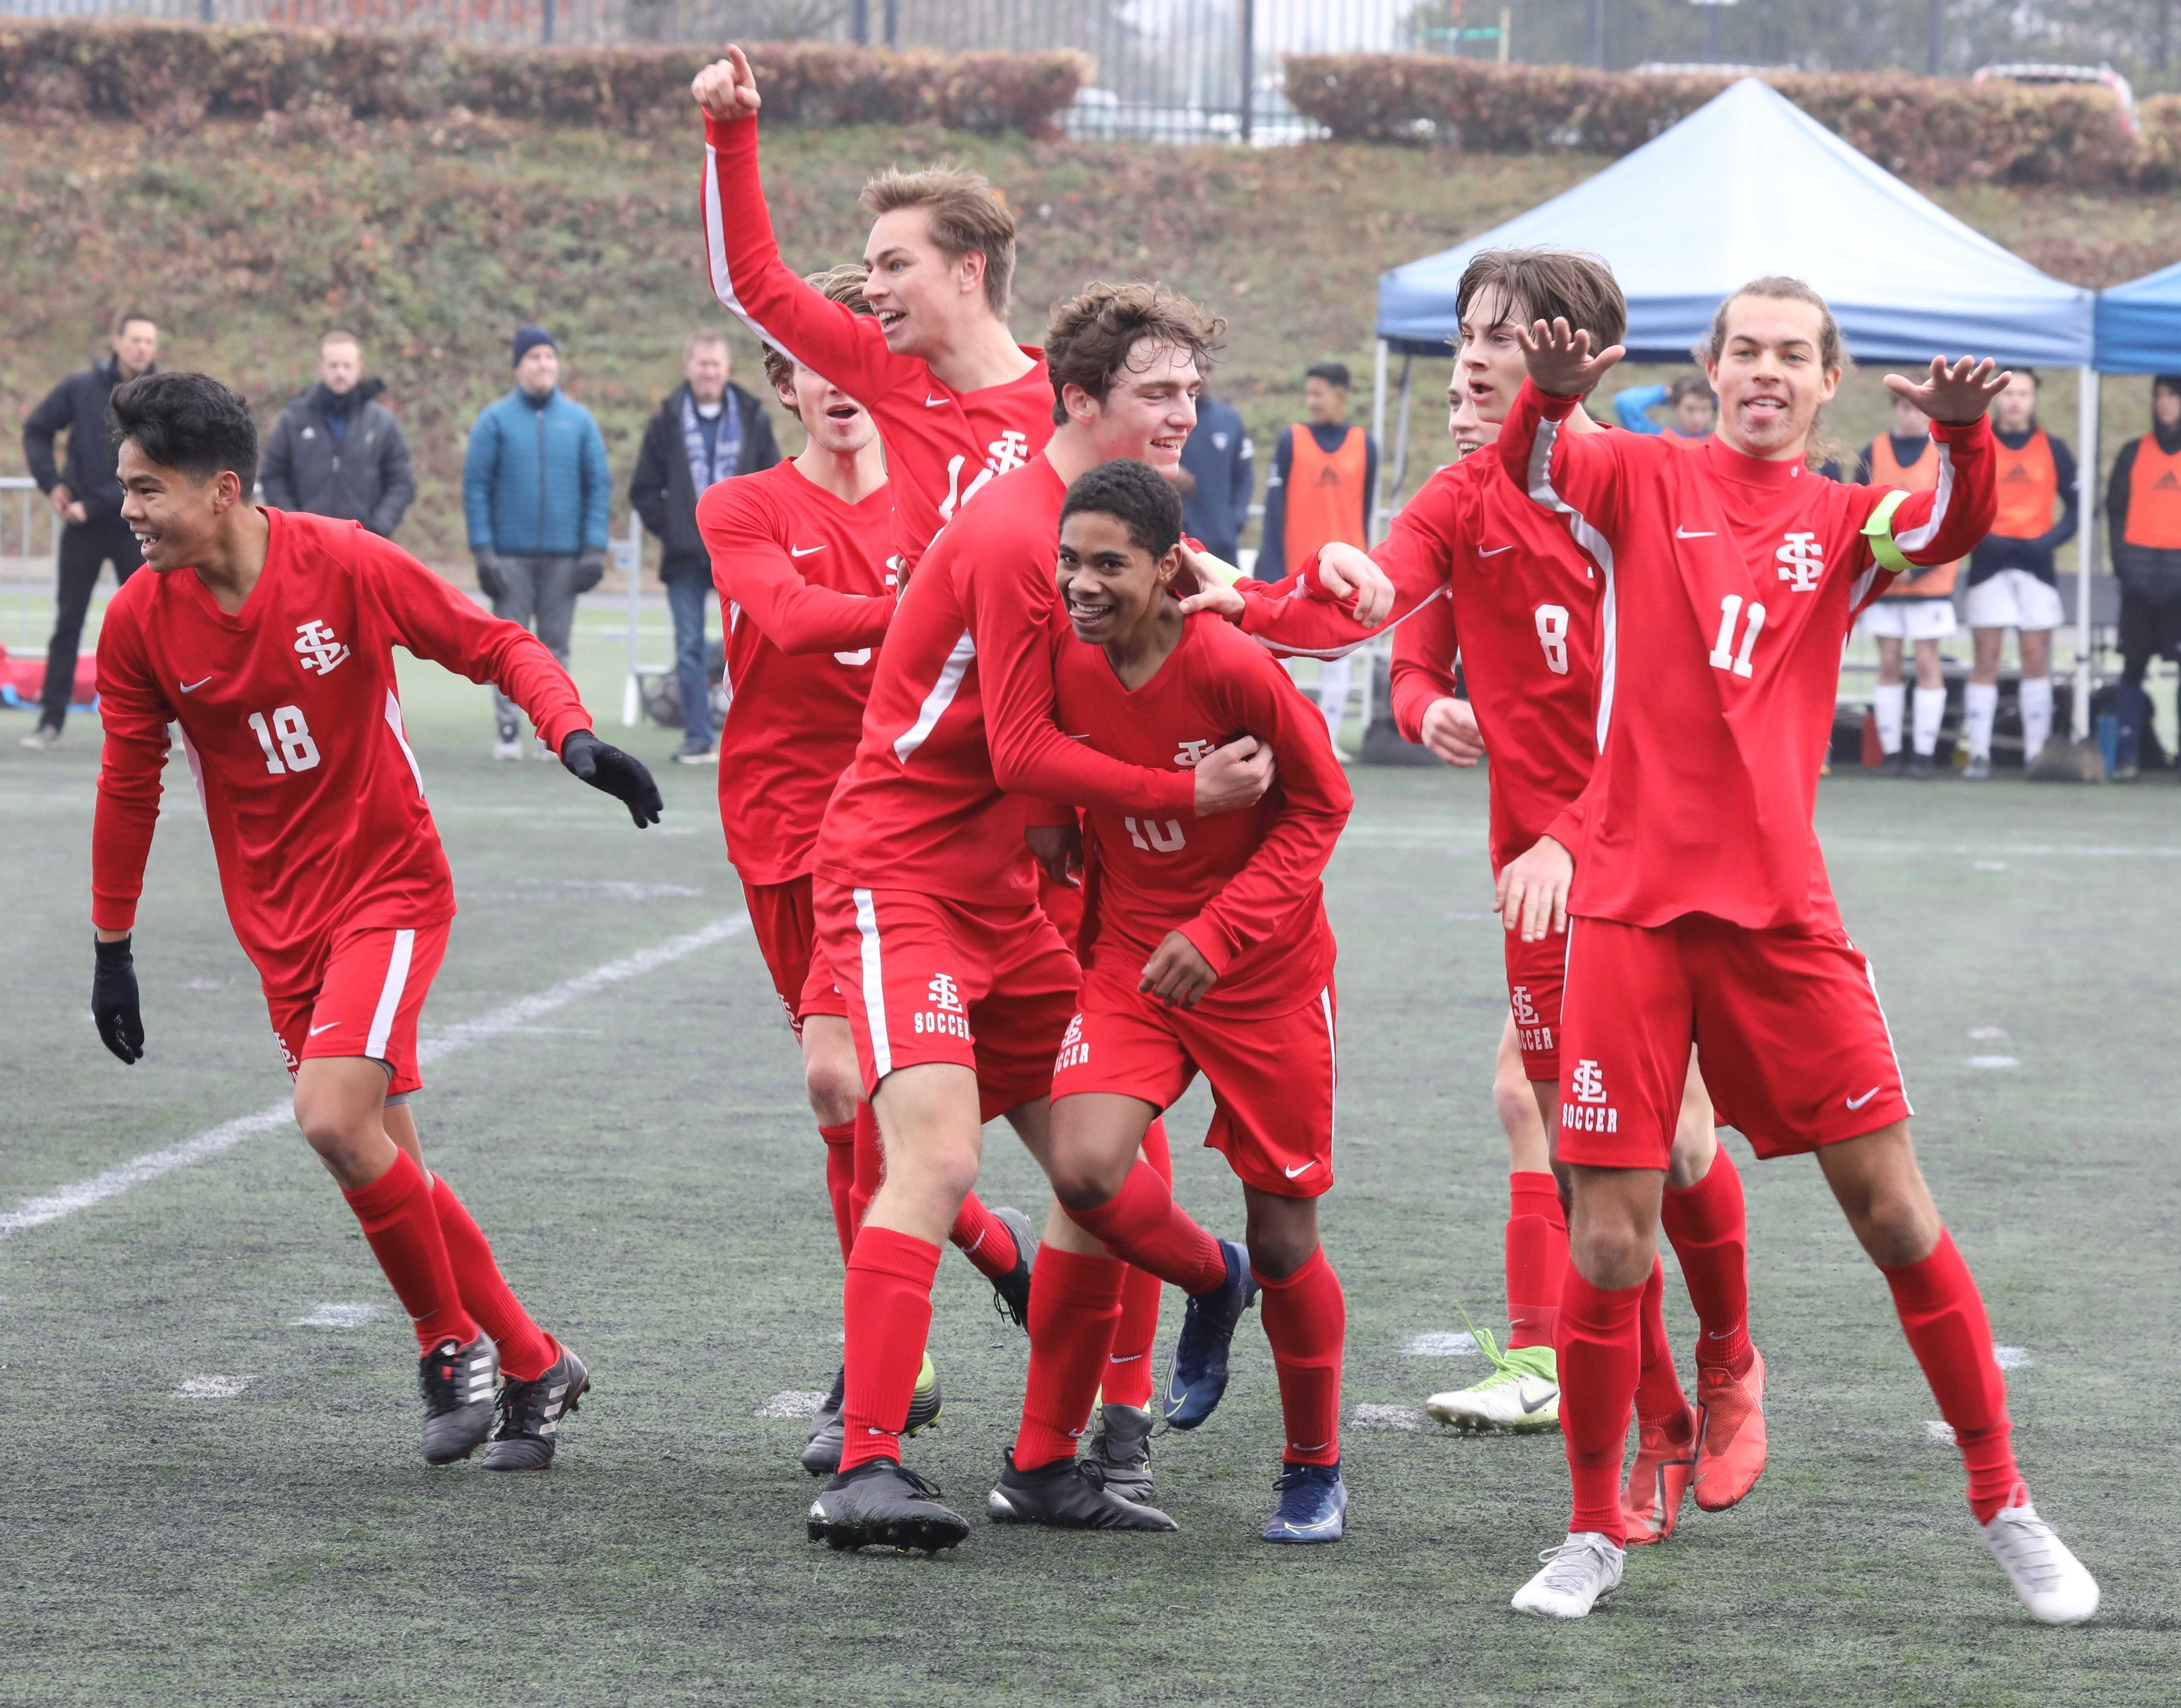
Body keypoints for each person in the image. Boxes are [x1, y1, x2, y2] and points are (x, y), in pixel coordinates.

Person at [1488, 284, 2097, 1626]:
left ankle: (2004, 1500)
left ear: (1829, 385)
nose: (1765, 372)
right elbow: (1538, 464)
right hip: (1632, 918)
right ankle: (1593, 1527)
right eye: (1744, 351)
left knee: (1893, 1210)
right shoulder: (1640, 478)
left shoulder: (1844, 519)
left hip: (1780, 923)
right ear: (1709, 371)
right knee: (1607, 1240)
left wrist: (1962, 436)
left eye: (1791, 356)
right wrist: (1545, 389)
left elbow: (1945, 522)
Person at [1222, 248, 1759, 1547]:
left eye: (1504, 332)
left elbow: (1672, 709)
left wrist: (1576, 830)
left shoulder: (1635, 495)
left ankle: (1727, 1366)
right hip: (1532, 869)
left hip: (1652, 853)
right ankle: (1660, 1413)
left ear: (1570, 353)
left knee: (1664, 1144)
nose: (1474, 353)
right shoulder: (1459, 495)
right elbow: (1382, 628)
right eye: (1467, 330)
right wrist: (1232, 596)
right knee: (1584, 1151)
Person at [694, 48, 1187, 1457]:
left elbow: (1158, 571)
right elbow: (758, 287)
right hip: (907, 818)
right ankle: (883, 1403)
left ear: (970, 269)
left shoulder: (1066, 413)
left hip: (1044, 821)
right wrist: (734, 132)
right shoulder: (878, 379)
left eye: (894, 263)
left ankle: (1123, 1400)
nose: (868, 296)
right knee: (859, 1094)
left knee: (1096, 1109)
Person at [88, 372, 663, 1470]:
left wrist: (572, 734)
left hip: (387, 889)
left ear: (221, 489)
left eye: (145, 488)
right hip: (280, 926)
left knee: (329, 1116)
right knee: (380, 1151)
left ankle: (450, 1342)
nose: (129, 508)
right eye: (125, 486)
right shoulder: (139, 621)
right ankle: (536, 1359)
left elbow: (494, 643)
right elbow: (128, 783)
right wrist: (113, 947)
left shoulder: (341, 561)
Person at [800, 282, 1274, 1555]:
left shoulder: (1109, 528)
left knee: (1091, 1166)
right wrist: (1185, 789)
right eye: (1157, 393)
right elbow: (1018, 751)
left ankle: (1054, 1458)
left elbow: (1232, 613)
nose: (1186, 413)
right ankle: (864, 1466)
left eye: (1191, 390)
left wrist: (1344, 598)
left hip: (1003, 891)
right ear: (1081, 401)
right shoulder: (1027, 535)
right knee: (938, 1162)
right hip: (903, 874)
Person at [695, 266, 1031, 1476]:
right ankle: (993, 1260)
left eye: (860, 366)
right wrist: (939, 603)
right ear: (785, 384)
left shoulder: (941, 505)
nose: (839, 387)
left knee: (849, 1080)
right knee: (840, 1096)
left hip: (912, 831)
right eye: (809, 368)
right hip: (786, 828)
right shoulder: (743, 507)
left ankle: (892, 1358)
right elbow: (783, 620)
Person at [1035, 460, 1356, 1544]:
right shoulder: (1062, 651)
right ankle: (1207, 1278)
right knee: (1083, 1170)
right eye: (1070, 559)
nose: (1081, 583)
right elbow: (1033, 744)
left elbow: (1322, 807)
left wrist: (1219, 932)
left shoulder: (1229, 663)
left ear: (1168, 567)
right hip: (1128, 959)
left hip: (1263, 979)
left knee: (1285, 1238)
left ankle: (1313, 1464)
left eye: (1108, 565)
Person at [629, 328, 781, 766]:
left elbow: (772, 480)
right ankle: (698, 736)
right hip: (685, 559)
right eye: (702, 363)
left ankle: (755, 737)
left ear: (727, 368)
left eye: (716, 364)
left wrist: (753, 534)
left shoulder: (752, 417)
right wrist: (676, 529)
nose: (710, 372)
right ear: (688, 367)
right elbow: (644, 490)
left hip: (741, 554)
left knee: (755, 645)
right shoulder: (667, 420)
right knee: (690, 646)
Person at [462, 325, 611, 761]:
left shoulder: (579, 421)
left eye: (549, 357)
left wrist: (594, 548)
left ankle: (556, 730)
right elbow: (476, 487)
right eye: (534, 358)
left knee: (556, 646)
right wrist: (484, 550)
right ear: (518, 366)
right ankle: (508, 731)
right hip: (510, 556)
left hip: (565, 558)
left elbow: (597, 485)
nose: (543, 365)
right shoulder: (494, 421)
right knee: (508, 647)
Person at [19, 308, 158, 749]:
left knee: (154, 624)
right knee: (68, 622)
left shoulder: (162, 395)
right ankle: (50, 722)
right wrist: (52, 485)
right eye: (135, 340)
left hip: (137, 526)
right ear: (117, 342)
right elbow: (37, 430)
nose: (142, 348)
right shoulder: (81, 387)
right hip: (81, 527)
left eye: (149, 342)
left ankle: (165, 723)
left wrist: (96, 503)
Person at [1256, 360, 1378, 756]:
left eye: (1318, 393)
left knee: (1340, 655)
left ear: (1340, 394)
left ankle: (1328, 736)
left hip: (1346, 572)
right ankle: (1286, 734)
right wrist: (1270, 566)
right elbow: (1275, 507)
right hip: (1297, 568)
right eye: (1308, 393)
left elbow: (1363, 509)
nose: (1311, 401)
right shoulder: (1291, 439)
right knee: (1282, 655)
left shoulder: (1365, 444)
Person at [1961, 369, 2076, 777]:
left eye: (2024, 394)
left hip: (2036, 566)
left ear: (2033, 400)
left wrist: (2045, 543)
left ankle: (2035, 755)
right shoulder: (1979, 444)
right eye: (2009, 394)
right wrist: (1983, 538)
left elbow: (2077, 510)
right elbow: (1961, 500)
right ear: (1997, 398)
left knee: (2034, 659)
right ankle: (1978, 754)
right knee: (1986, 660)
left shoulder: (2055, 449)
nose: (2015, 402)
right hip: (1989, 564)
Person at [1856, 393, 1963, 777]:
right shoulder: (1874, 451)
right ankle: (1891, 753)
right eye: (1904, 408)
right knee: (1887, 663)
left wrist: (1915, 569)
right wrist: (1886, 563)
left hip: (1929, 579)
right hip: (1886, 576)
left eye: (1919, 408)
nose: (1912, 416)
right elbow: (1858, 511)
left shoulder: (1941, 454)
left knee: (1925, 663)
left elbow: (1952, 515)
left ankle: (1923, 754)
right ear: (1894, 410)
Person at [258, 330, 416, 540]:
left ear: (359, 368)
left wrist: (378, 527)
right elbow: (273, 476)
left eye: (347, 366)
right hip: (306, 544)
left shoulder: (382, 423)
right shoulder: (294, 420)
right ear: (321, 367)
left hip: (365, 545)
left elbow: (402, 481)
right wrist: (292, 522)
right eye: (333, 366)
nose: (340, 372)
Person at [2104, 373, 2181, 779]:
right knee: (2132, 668)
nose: (2164, 404)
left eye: (2171, 396)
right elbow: (2115, 515)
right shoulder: (2133, 454)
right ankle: (2128, 756)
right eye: (2159, 397)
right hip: (2138, 585)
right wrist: (2125, 570)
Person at [1174, 386, 1253, 565]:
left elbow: (1244, 475)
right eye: (1198, 367)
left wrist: (1234, 520)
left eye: (1207, 369)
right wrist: (1168, 475)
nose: (1202, 376)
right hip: (1179, 543)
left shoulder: (1229, 419)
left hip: (1222, 543)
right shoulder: (1169, 418)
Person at [1613, 374, 1714, 447]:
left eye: (1705, 410)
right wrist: (1664, 393)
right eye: (1690, 409)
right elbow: (1626, 402)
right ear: (1675, 406)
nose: (1698, 418)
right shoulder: (1656, 438)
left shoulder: (1718, 441)